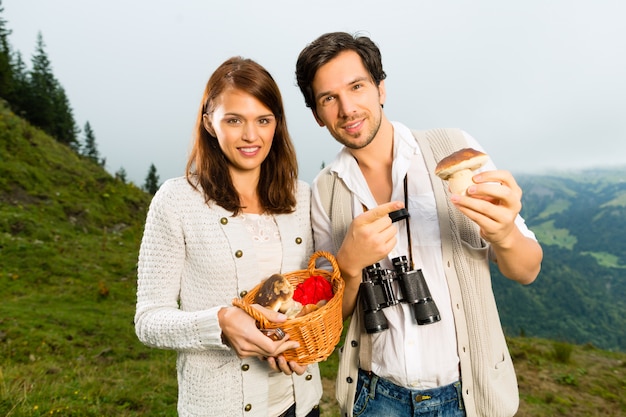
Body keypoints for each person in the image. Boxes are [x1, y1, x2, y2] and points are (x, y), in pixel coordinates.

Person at [295, 32, 543, 417]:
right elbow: (336, 314)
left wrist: (505, 234)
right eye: (329, 98)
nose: (347, 109)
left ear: (381, 89)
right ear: (316, 114)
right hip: (376, 396)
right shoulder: (324, 190)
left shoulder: (453, 148)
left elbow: (527, 270)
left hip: (467, 394)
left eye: (357, 86)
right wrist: (348, 264)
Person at [135, 57, 322, 417]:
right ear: (209, 123)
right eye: (234, 120)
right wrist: (218, 323)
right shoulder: (177, 201)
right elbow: (148, 320)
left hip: (300, 403)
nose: (251, 135)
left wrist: (297, 341)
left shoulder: (301, 198)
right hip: (217, 408)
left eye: (263, 120)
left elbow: (307, 297)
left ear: (277, 124)